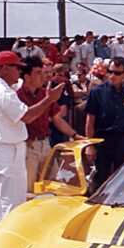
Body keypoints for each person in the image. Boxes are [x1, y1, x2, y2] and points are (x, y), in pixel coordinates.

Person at [0, 51, 64, 226]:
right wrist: (49, 99)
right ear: (4, 69)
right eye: (16, 68)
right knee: (13, 203)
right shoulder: (3, 92)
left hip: (3, 149)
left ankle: (2, 244)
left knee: (2, 204)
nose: (19, 72)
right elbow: (27, 116)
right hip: (7, 150)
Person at [16, 57, 81, 194]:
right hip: (28, 147)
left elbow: (57, 118)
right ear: (27, 77)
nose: (43, 76)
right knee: (28, 190)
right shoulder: (16, 96)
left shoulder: (44, 93)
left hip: (45, 145)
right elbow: (26, 118)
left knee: (55, 186)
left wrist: (75, 135)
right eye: (39, 72)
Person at [84, 56, 124, 189]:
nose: (112, 76)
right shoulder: (97, 92)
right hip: (102, 140)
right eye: (110, 71)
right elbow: (90, 119)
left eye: (117, 73)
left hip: (123, 140)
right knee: (101, 179)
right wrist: (90, 144)